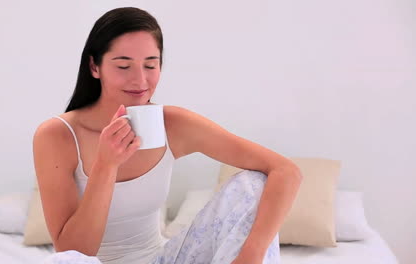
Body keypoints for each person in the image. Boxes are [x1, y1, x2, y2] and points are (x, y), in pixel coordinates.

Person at [33, 7, 302, 264]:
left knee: (252, 183)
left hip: (163, 259)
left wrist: (251, 255)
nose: (140, 81)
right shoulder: (57, 136)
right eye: (123, 66)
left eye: (150, 65)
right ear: (94, 67)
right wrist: (106, 164)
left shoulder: (173, 124)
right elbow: (73, 252)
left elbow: (285, 170)